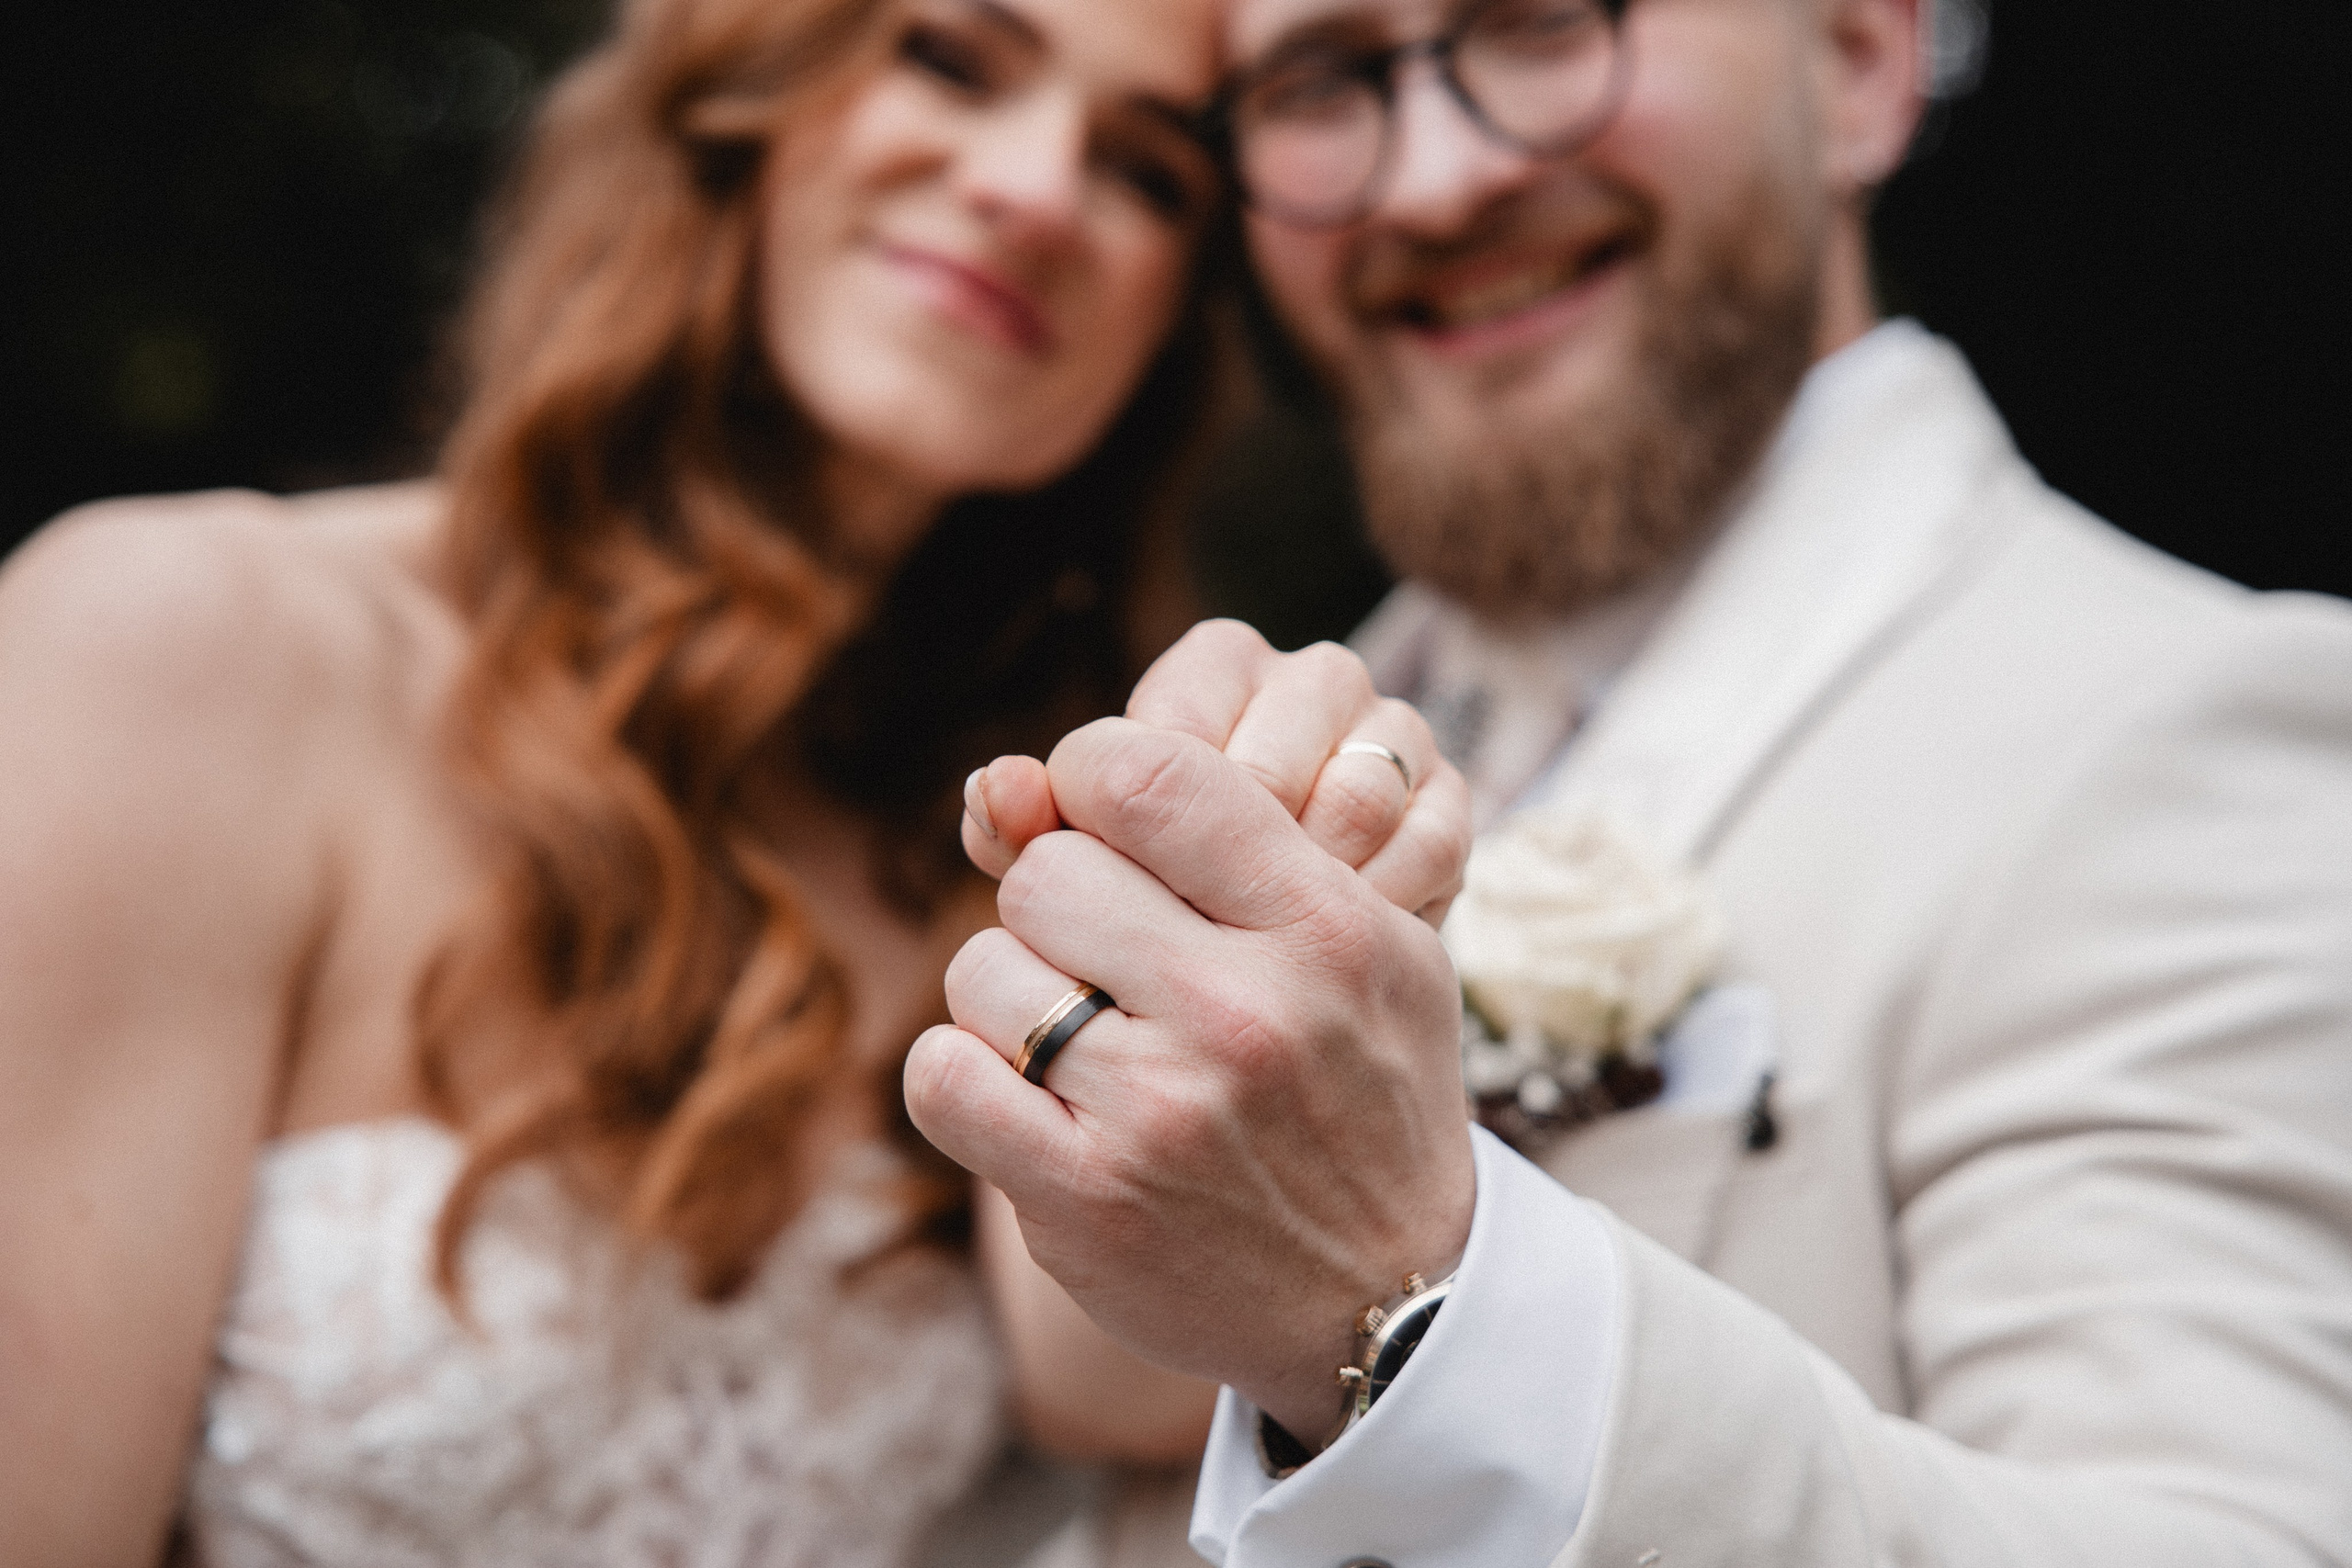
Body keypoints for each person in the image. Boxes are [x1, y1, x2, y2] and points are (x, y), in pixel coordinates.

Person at [0, 0, 1472, 1560]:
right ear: (743, 86)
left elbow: (1113, 1401)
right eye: (952, 59)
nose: (1037, 191)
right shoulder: (176, 650)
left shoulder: (1021, 808)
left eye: (1148, 173)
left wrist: (1289, 938)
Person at [909, 0, 2352, 1562]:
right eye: (1323, 80)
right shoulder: (1318, 710)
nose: (1433, 183)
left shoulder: (2198, 721)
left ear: (1860, 64)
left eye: (1537, 24)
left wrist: (1412, 1297)